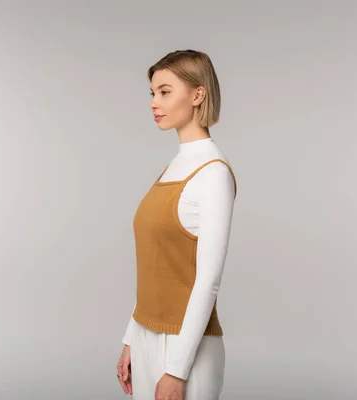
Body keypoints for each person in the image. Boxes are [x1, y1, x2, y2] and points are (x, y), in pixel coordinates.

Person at [116, 50, 237, 400]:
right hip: (146, 337)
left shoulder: (213, 173)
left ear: (198, 94)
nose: (155, 102)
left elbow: (207, 281)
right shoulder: (173, 167)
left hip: (187, 348)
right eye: (152, 93)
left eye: (165, 92)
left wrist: (176, 369)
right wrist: (131, 339)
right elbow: (155, 270)